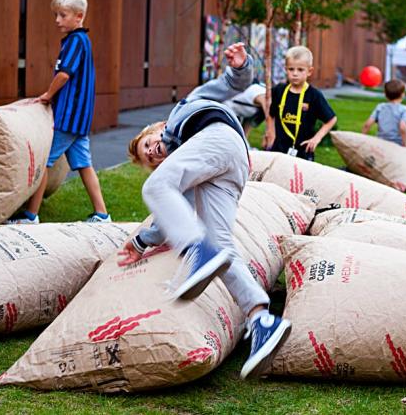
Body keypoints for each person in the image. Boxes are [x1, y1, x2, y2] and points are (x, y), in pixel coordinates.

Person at [120, 42, 291, 380]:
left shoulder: (184, 109)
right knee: (221, 246)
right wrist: (141, 242)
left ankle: (199, 251)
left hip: (220, 138)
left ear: (156, 128)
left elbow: (231, 85)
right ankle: (262, 319)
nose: (153, 152)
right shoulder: (184, 177)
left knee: (155, 187)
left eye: (149, 144)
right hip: (232, 169)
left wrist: (241, 66)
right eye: (150, 158)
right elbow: (167, 221)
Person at [7, 0, 110, 225]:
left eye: (62, 15)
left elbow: (64, 75)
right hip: (80, 120)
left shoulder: (75, 41)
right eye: (56, 15)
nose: (57, 20)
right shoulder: (83, 40)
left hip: (68, 118)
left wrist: (47, 95)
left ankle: (30, 216)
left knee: (42, 163)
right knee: (84, 164)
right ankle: (102, 214)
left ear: (79, 16)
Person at [265, 46, 337, 161]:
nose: (295, 74)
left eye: (300, 70)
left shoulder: (314, 95)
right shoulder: (279, 91)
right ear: (285, 69)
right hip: (278, 149)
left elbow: (331, 119)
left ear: (309, 71)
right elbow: (271, 114)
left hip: (303, 152)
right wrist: (271, 133)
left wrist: (316, 139)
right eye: (291, 69)